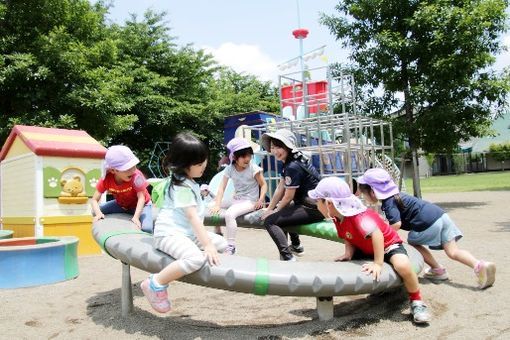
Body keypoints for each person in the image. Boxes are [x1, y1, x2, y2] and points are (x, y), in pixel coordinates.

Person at [308, 176, 431, 324]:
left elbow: (377, 235)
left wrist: (378, 263)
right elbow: (348, 235)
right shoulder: (337, 217)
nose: (316, 205)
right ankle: (382, 289)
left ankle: (417, 302)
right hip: (367, 247)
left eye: (317, 201)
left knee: (402, 266)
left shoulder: (359, 218)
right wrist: (348, 253)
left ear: (329, 203)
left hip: (387, 245)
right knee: (352, 264)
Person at [357, 168, 496, 289]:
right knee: (453, 251)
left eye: (364, 193)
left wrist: (380, 237)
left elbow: (396, 224)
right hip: (441, 216)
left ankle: (437, 269)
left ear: (373, 192)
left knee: (412, 242)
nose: (364, 197)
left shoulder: (388, 203)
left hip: (428, 222)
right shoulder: (396, 195)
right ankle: (479, 265)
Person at [140, 132, 227, 313]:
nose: (203, 165)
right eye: (198, 163)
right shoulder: (181, 186)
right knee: (195, 259)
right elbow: (193, 217)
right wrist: (207, 245)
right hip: (169, 234)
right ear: (184, 164)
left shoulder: (188, 182)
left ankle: (204, 251)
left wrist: (211, 244)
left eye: (204, 161)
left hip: (185, 233)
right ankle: (155, 283)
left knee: (223, 243)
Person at [261, 129, 324, 261]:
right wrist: (270, 209)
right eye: (272, 147)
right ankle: (296, 245)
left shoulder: (292, 166)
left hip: (315, 208)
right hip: (313, 204)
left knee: (270, 222)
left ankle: (288, 258)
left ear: (288, 147)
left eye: (279, 147)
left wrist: (273, 212)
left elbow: (288, 196)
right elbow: (280, 188)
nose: (275, 151)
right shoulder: (292, 160)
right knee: (281, 212)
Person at [209, 137, 268, 255]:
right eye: (243, 156)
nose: (247, 159)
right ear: (235, 157)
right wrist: (217, 204)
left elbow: (263, 184)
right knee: (211, 204)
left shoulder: (253, 167)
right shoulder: (230, 169)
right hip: (237, 199)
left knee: (230, 214)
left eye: (249, 155)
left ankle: (231, 246)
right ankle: (218, 231)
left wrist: (260, 200)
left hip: (250, 201)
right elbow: (221, 188)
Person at [91, 145, 153, 233]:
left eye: (134, 166)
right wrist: (98, 214)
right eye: (127, 168)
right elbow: (94, 200)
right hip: (122, 205)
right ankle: (127, 212)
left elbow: (141, 198)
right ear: (113, 170)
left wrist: (136, 217)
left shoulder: (136, 176)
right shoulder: (106, 179)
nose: (132, 171)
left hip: (142, 205)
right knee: (95, 211)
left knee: (147, 228)